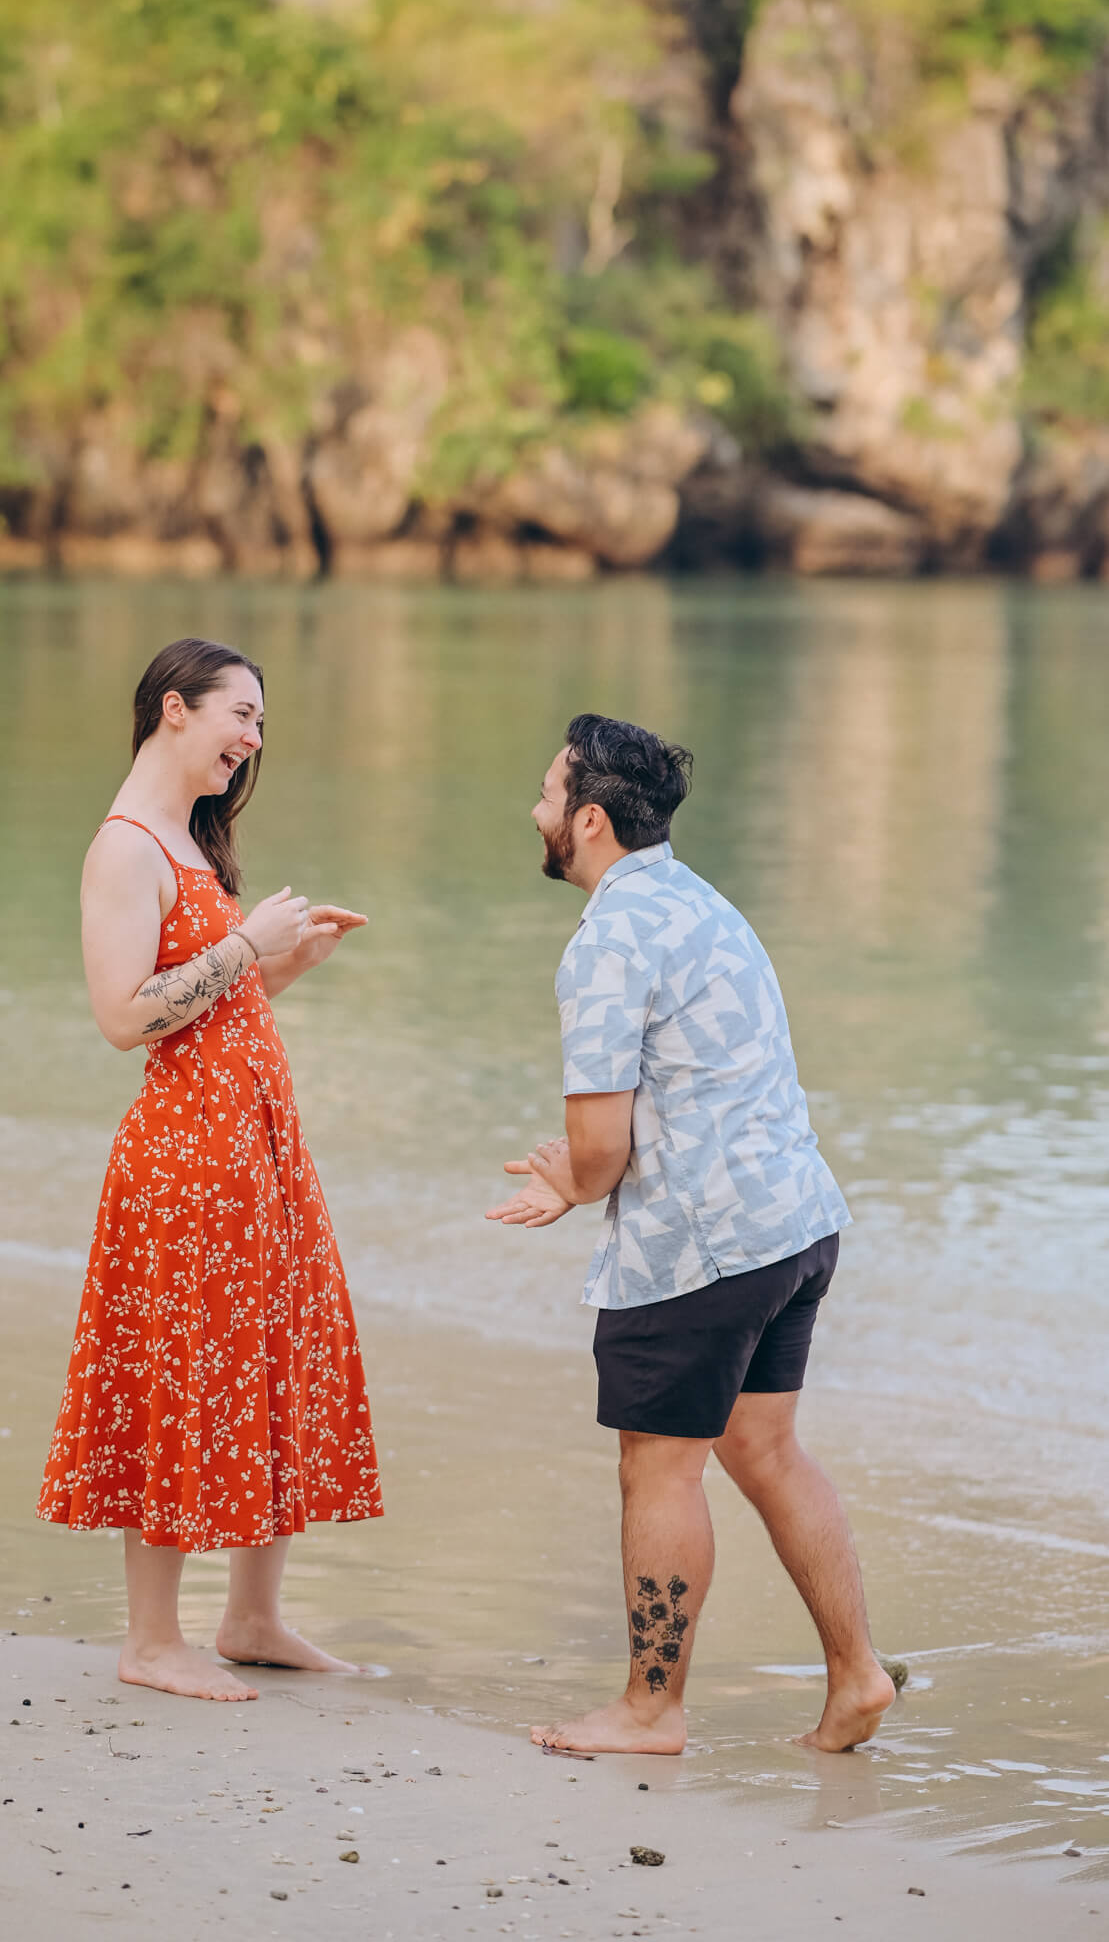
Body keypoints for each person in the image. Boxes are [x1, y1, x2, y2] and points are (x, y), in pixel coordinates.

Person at [487, 714, 895, 1756]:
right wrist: (583, 1169)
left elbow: (602, 1144)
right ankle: (856, 1677)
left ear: (586, 820)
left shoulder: (607, 940)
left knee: (659, 1469)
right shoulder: (703, 902)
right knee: (765, 1446)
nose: (534, 811)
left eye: (545, 794)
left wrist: (567, 1184)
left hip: (698, 1249)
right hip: (795, 1223)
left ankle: (650, 1706)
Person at [38, 637, 382, 1702]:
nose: (253, 738)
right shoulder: (125, 847)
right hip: (183, 1158)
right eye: (240, 713)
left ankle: (254, 1613)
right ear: (173, 709)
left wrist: (282, 962)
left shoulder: (191, 840)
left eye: (263, 723)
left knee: (272, 1358)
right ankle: (151, 1638)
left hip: (255, 1149)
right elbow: (122, 1017)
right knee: (183, 1375)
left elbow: (211, 1011)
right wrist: (245, 947)